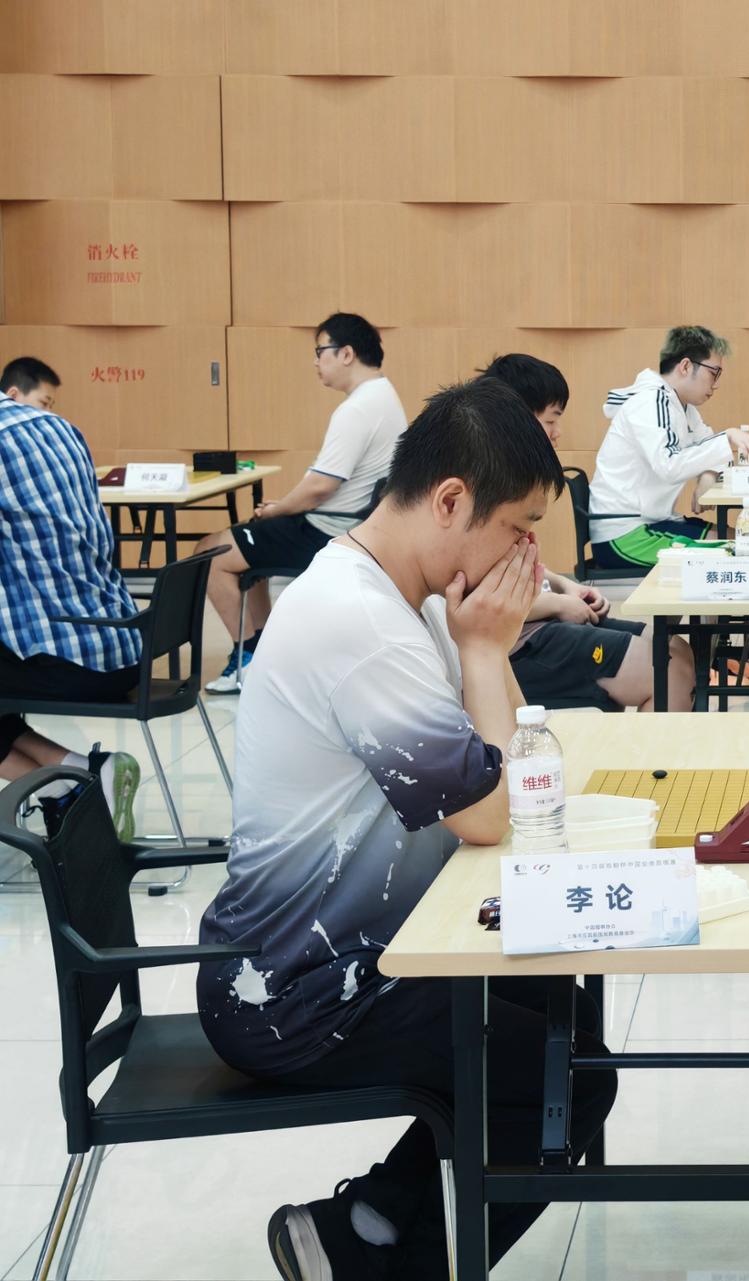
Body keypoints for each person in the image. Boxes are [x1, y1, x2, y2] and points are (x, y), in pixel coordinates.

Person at [194, 377, 617, 1281]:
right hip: (296, 991)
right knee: (567, 1070)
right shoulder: (362, 621)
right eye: (520, 528)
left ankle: (362, 1227)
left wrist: (485, 645)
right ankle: (386, 1260)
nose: (529, 555)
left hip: (358, 955)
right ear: (451, 500)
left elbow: (513, 756)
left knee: (561, 1018)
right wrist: (484, 649)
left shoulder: (404, 595)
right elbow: (492, 814)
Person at [201, 312, 407, 693]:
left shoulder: (357, 408)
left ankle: (247, 658)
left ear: (346, 354)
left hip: (328, 530)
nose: (316, 362)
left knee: (212, 551)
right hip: (355, 524)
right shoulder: (384, 395)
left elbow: (320, 487)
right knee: (252, 538)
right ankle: (262, 652)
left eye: (320, 351)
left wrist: (278, 508)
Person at [480, 352, 694, 711]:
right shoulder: (485, 492)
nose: (557, 432)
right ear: (517, 419)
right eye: (550, 420)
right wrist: (558, 603)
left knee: (677, 649)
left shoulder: (512, 480)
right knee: (668, 670)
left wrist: (566, 587)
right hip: (520, 643)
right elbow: (481, 598)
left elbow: (517, 563)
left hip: (542, 618)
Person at [0, 391, 142, 839]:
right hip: (120, 643)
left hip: (62, 659)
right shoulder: (58, 425)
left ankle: (70, 786)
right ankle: (78, 780)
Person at [587, 325, 749, 570]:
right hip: (626, 535)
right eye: (714, 373)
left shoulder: (681, 406)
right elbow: (669, 465)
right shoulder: (651, 402)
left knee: (746, 541)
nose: (716, 384)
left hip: (652, 523)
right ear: (686, 366)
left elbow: (707, 444)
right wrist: (727, 438)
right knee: (739, 550)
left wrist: (709, 475)